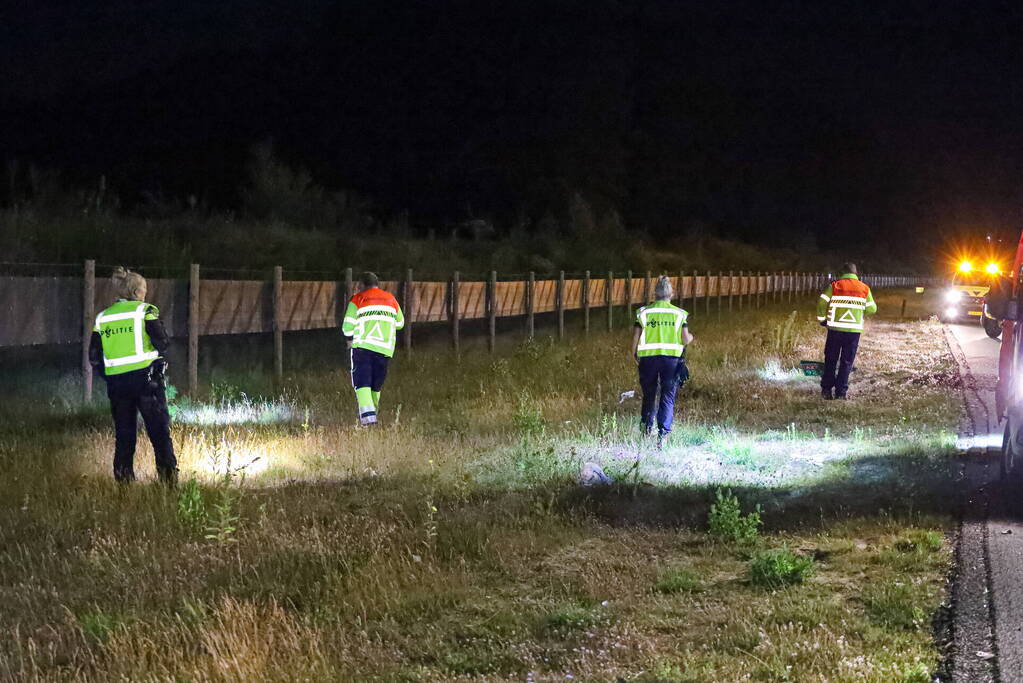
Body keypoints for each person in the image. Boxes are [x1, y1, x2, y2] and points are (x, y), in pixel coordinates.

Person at [88, 267, 178, 484]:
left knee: (124, 436)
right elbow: (163, 343)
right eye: (144, 289)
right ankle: (168, 482)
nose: (145, 293)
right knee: (158, 433)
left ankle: (124, 482)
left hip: (118, 385)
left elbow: (94, 357)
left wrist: (111, 376)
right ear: (137, 292)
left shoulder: (102, 318)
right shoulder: (145, 311)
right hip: (147, 382)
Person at [631, 275, 694, 446]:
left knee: (649, 396)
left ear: (655, 294)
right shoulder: (679, 314)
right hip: (671, 361)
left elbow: (636, 336)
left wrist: (634, 353)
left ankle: (645, 431)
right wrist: (691, 337)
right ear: (671, 294)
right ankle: (662, 436)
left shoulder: (644, 312)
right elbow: (685, 339)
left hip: (648, 360)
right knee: (667, 396)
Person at [342, 272, 405, 425]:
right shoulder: (391, 299)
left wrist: (350, 339)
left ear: (361, 285)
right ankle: (372, 416)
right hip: (384, 350)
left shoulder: (357, 299)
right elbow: (400, 323)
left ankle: (369, 422)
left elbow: (347, 328)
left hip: (362, 348)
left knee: (362, 384)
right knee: (375, 386)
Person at [816, 262, 877, 400]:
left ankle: (826, 390)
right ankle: (841, 393)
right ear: (856, 273)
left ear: (842, 273)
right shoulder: (864, 288)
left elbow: (821, 302)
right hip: (853, 331)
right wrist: (858, 310)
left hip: (835, 329)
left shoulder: (834, 286)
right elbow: (872, 309)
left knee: (831, 359)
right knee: (847, 361)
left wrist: (822, 319)